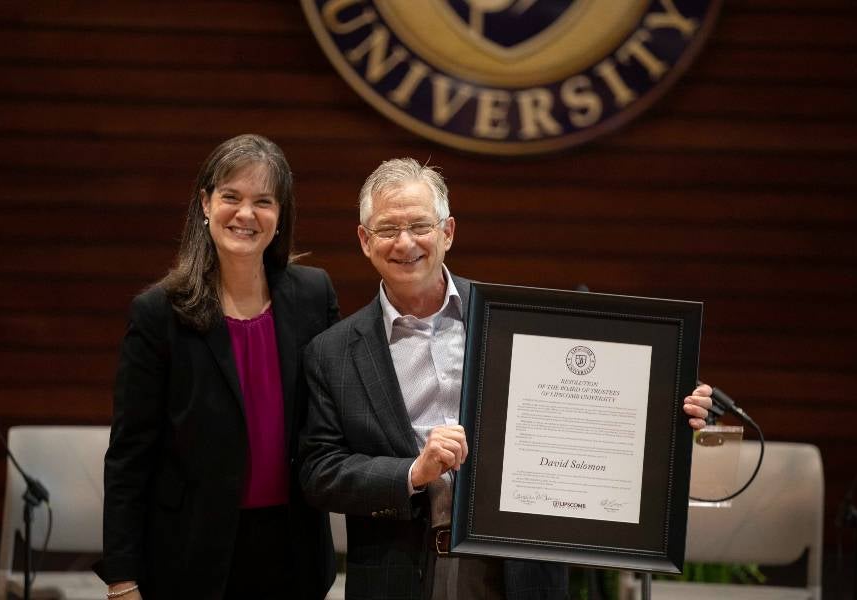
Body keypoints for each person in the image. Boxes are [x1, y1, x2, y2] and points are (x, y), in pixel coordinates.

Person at [299, 158, 712, 600]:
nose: (405, 243)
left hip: (518, 568)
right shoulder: (333, 352)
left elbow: (587, 406)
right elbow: (320, 470)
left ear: (447, 233)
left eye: (420, 225)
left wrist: (666, 409)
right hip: (397, 571)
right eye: (387, 229)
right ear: (365, 240)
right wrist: (413, 472)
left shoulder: (519, 323)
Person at [95, 134, 339, 600]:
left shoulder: (313, 295)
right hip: (188, 555)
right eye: (231, 197)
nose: (246, 214)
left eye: (263, 202)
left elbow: (335, 413)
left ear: (280, 215)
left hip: (293, 550)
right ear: (206, 203)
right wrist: (122, 578)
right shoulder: (158, 314)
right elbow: (129, 456)